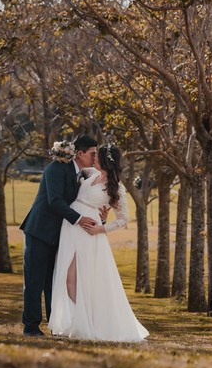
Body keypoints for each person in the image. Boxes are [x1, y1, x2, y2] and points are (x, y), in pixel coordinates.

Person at [49, 145, 149, 342]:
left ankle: (88, 323)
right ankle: (79, 320)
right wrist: (61, 153)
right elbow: (75, 167)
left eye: (97, 156)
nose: (93, 158)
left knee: (81, 279)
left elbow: (123, 219)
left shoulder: (116, 187)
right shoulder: (91, 173)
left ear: (106, 160)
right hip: (71, 228)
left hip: (90, 233)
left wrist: (101, 227)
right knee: (67, 276)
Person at [20, 134, 99, 336]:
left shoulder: (81, 174)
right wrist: (79, 219)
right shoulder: (56, 169)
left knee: (53, 283)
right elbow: (54, 200)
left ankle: (56, 326)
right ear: (80, 153)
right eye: (92, 153)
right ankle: (30, 327)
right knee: (34, 280)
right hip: (39, 230)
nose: (94, 157)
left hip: (59, 235)